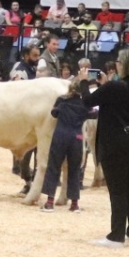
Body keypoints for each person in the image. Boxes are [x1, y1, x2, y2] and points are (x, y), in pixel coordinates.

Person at [91, 48, 129, 247]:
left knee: (117, 191)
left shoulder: (114, 87)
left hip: (115, 145)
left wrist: (82, 81)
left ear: (123, 64)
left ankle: (116, 235)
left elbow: (86, 101)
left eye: (118, 61)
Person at [40, 70, 95, 213]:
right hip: (76, 138)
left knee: (54, 167)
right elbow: (94, 114)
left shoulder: (62, 100)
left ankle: (49, 202)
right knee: (74, 170)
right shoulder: (84, 104)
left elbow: (54, 113)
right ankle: (74, 204)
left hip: (60, 135)